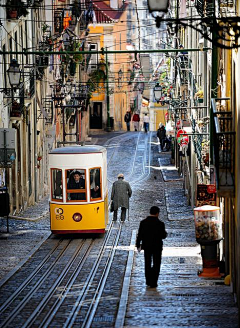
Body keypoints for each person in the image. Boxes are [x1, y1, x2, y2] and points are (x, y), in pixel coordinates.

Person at [136, 206, 167, 288]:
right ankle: (154, 282)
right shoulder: (160, 224)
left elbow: (140, 235)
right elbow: (163, 236)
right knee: (156, 264)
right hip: (157, 247)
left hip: (147, 246)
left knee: (147, 263)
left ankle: (148, 281)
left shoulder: (143, 223)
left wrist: (138, 244)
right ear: (157, 213)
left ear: (150, 212)